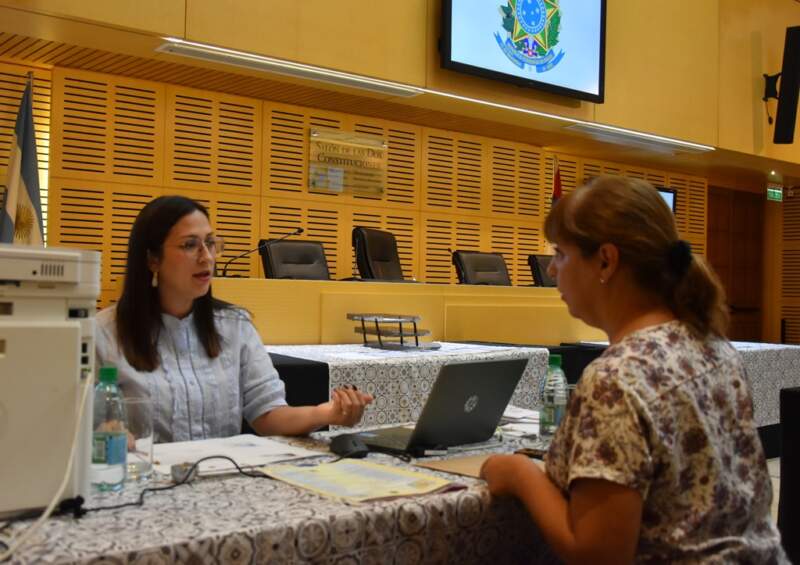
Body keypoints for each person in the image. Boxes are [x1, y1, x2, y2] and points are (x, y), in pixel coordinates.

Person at [481, 176, 786, 563]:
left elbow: (597, 555)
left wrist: (521, 475)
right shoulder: (712, 345)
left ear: (605, 260)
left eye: (561, 253)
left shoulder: (616, 378)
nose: (553, 270)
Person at [96, 195, 373, 443]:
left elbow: (267, 415)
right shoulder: (103, 333)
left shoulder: (234, 325)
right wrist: (104, 431)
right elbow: (84, 426)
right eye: (190, 245)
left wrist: (326, 413)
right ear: (152, 259)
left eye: (211, 243)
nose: (207, 257)